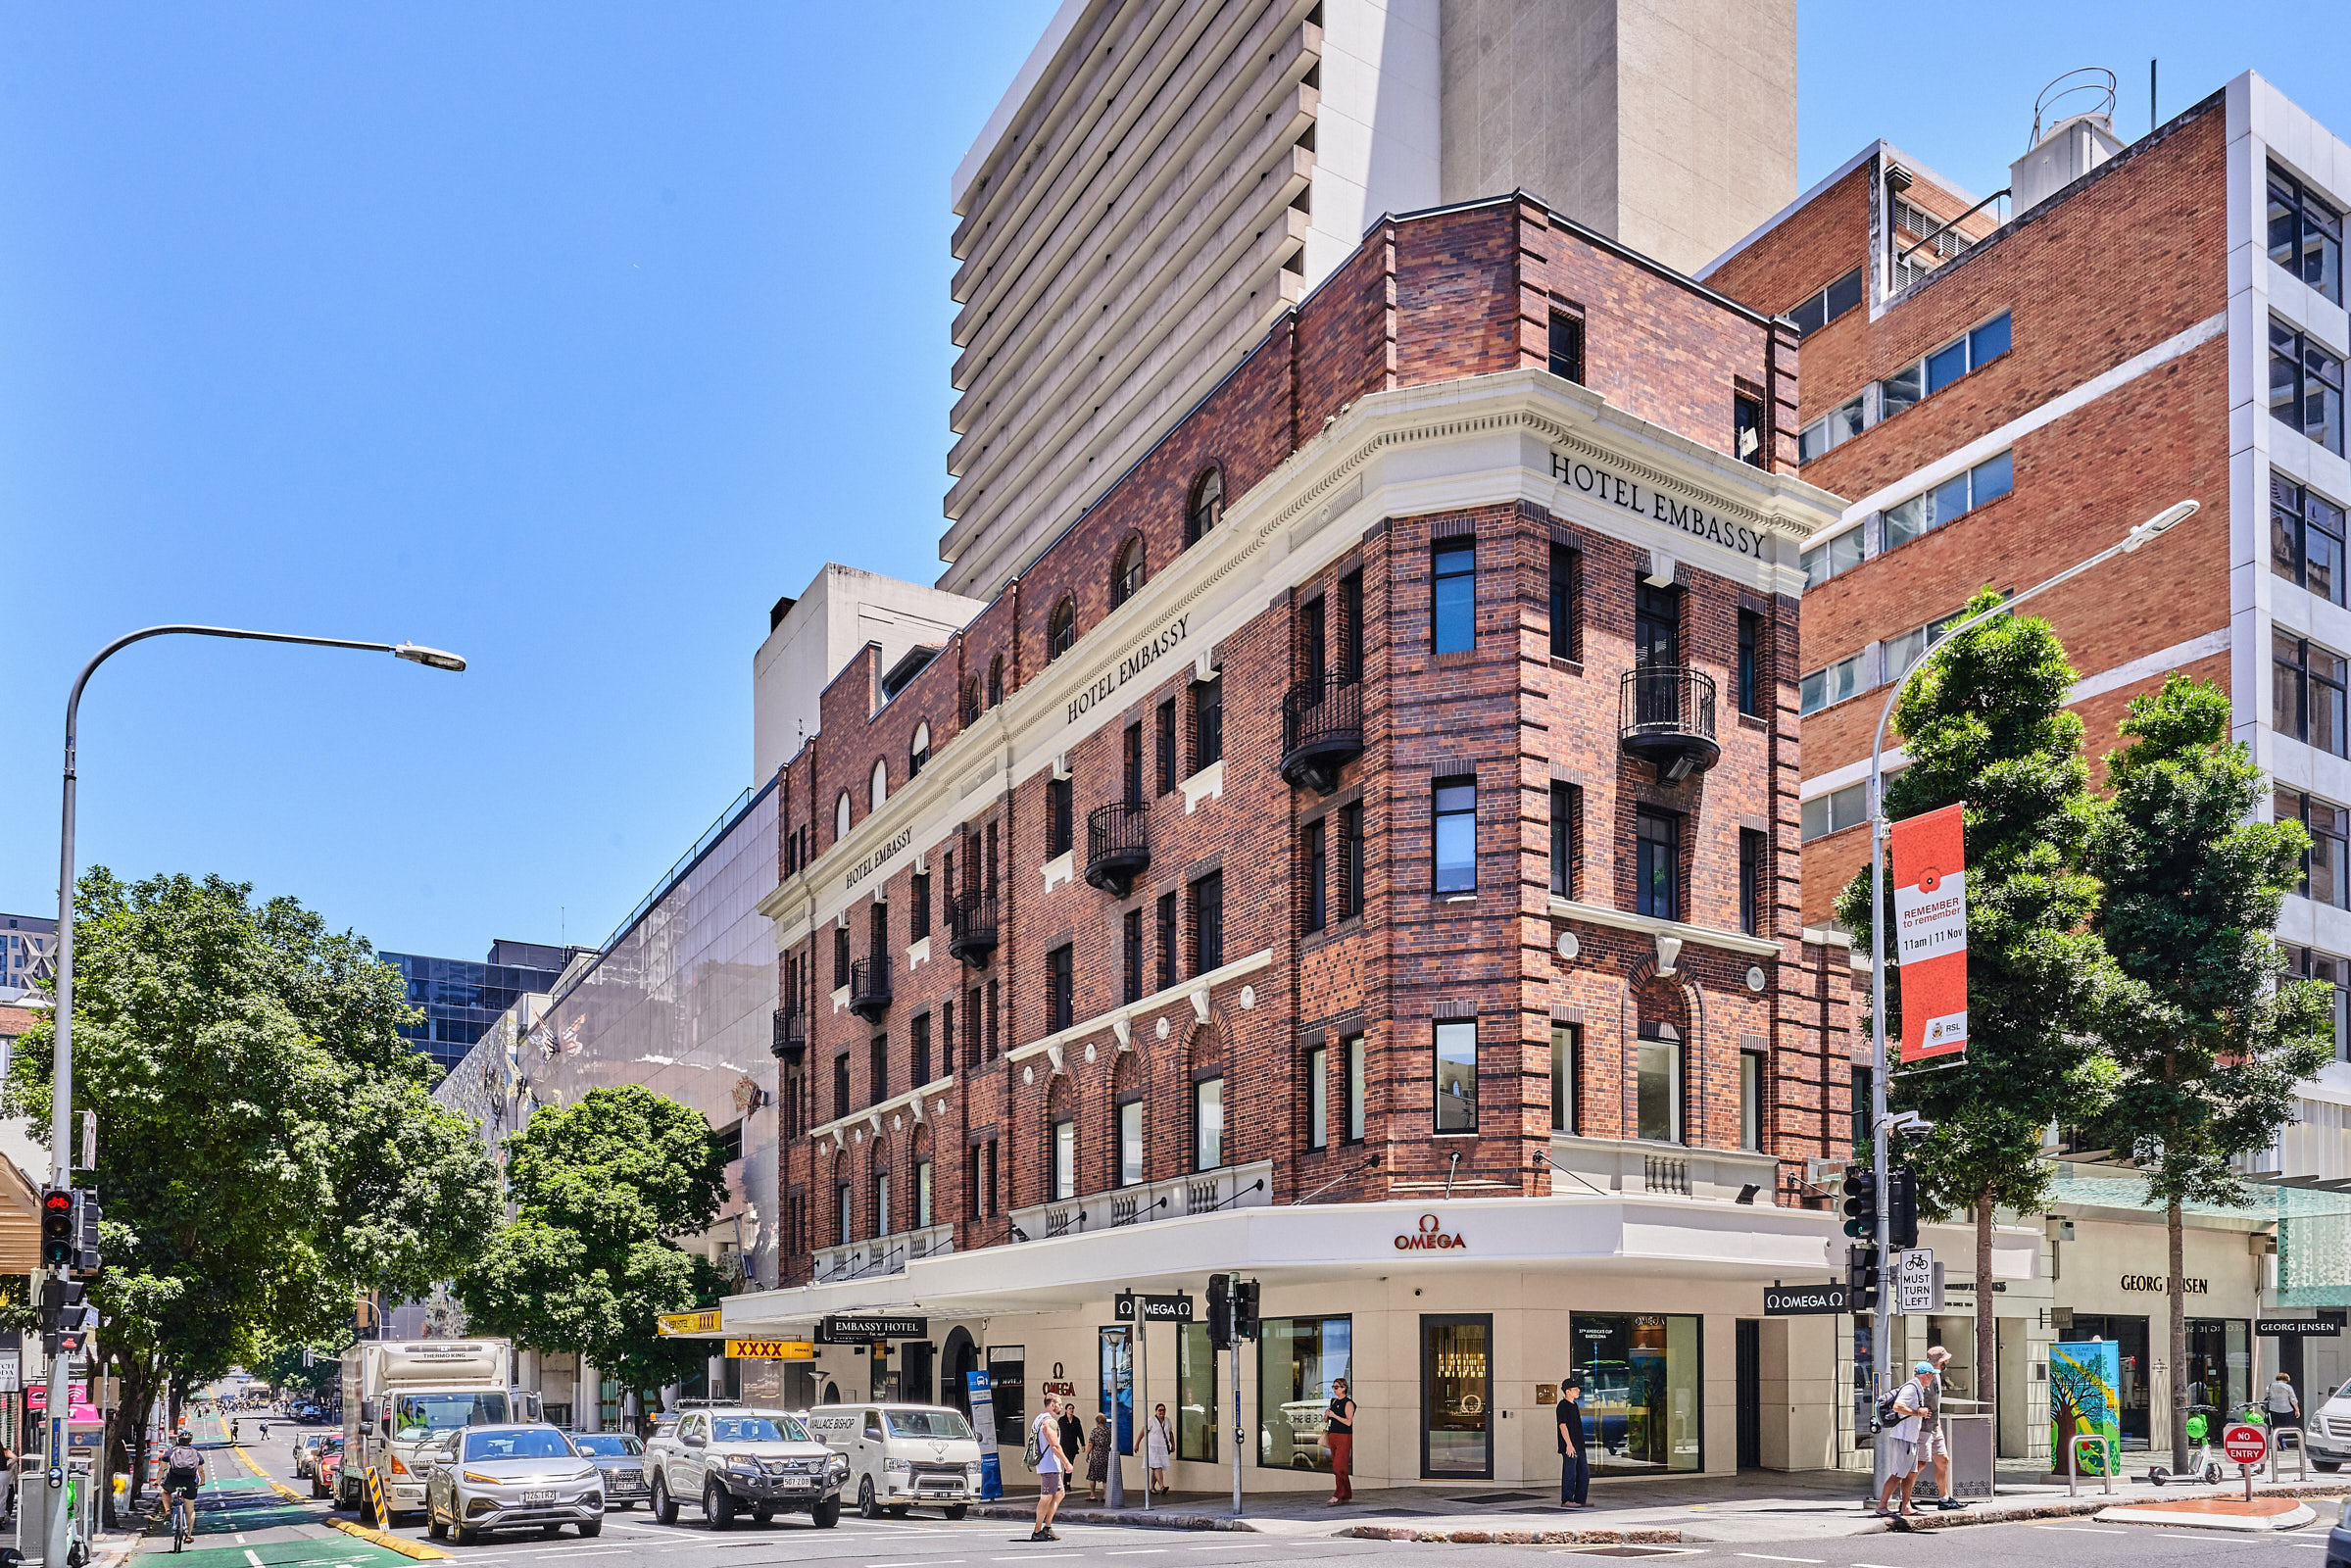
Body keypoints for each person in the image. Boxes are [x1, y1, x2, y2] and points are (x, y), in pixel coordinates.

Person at [1875, 1363, 1934, 1519]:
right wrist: (1917, 1413)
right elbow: (1898, 1406)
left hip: (1910, 1438)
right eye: (1932, 1375)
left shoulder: (1918, 1388)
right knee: (1897, 1474)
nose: (1933, 1378)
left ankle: (1906, 1506)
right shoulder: (1911, 1388)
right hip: (1903, 1437)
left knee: (1911, 1473)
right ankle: (1882, 1506)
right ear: (1926, 1374)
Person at [1919, 1347, 1964, 1511]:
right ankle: (1906, 1499)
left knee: (1943, 1459)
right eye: (1945, 1359)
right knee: (1920, 1463)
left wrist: (1937, 1425)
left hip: (1934, 1425)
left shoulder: (1936, 1377)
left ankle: (1944, 1498)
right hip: (1924, 1427)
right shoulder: (1927, 1378)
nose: (1948, 1361)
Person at [1030, 1394, 1069, 1543]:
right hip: (1049, 1465)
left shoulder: (1039, 1418)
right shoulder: (1049, 1422)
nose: (1061, 1407)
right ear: (1052, 1405)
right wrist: (1067, 1463)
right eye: (1059, 1404)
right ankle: (1037, 1531)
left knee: (1059, 1493)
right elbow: (1055, 1445)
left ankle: (1047, 1527)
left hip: (1049, 1465)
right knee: (1046, 1498)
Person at [162, 1427, 207, 1548]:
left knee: (165, 1492)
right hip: (190, 1482)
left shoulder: (171, 1452)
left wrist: (156, 1481)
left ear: (178, 1440)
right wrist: (202, 1481)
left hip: (173, 1481)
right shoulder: (196, 1453)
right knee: (190, 1510)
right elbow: (201, 1471)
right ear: (190, 1442)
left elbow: (162, 1468)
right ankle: (189, 1535)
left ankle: (167, 1511)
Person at [1556, 1376, 1590, 1508]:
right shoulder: (1562, 1406)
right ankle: (1567, 1499)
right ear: (1568, 1391)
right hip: (1570, 1446)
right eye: (1575, 1389)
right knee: (1570, 1473)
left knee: (1584, 1472)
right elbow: (1562, 1426)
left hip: (1579, 1445)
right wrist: (1569, 1445)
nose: (1578, 1391)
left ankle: (1580, 1499)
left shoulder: (1574, 1405)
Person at [1324, 1376, 1356, 1505]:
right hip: (1333, 1435)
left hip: (1344, 1436)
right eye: (1333, 1387)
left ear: (1344, 1388)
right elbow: (1327, 1420)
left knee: (1339, 1466)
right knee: (1337, 1466)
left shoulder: (1348, 1403)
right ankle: (1345, 1493)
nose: (1334, 1389)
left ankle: (1338, 1494)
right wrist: (1327, 1415)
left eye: (1337, 1387)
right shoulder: (1333, 1402)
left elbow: (1348, 1422)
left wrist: (1334, 1415)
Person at [1145, 1403, 1173, 1496]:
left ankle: (1152, 1487)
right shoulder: (1151, 1420)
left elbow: (1170, 1433)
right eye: (1160, 1410)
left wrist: (1173, 1444)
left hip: (1162, 1447)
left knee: (1156, 1467)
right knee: (1158, 1466)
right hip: (1152, 1447)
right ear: (1156, 1411)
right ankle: (1162, 1486)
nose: (1162, 1412)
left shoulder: (1167, 1421)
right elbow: (1143, 1431)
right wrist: (1137, 1444)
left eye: (1163, 1410)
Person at [1084, 1412, 1112, 1500]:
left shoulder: (1095, 1431)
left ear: (1097, 1422)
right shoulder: (1109, 1431)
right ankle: (1105, 1495)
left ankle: (1092, 1495)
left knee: (1092, 1476)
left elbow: (1091, 1444)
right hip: (1106, 1455)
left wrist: (1087, 1454)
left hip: (1096, 1455)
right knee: (1105, 1476)